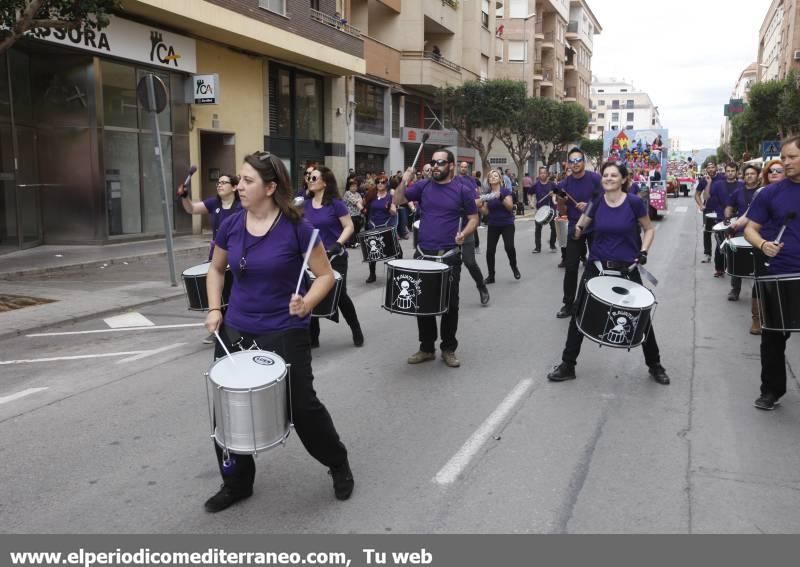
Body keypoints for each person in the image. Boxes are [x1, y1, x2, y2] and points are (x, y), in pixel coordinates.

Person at [203, 151, 353, 512]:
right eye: (239, 179)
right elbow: (216, 269)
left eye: (247, 180)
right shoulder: (231, 225)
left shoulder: (297, 228)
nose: (239, 186)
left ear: (270, 187)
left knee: (302, 409)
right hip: (237, 329)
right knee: (226, 410)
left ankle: (337, 463)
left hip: (284, 331)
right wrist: (213, 309)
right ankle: (237, 483)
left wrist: (307, 303)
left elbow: (326, 276)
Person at [547, 161, 669, 385]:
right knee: (579, 313)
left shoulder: (633, 202)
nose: (609, 178)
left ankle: (655, 365)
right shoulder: (596, 203)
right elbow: (579, 228)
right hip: (598, 266)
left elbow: (648, 229)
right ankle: (567, 365)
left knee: (640, 317)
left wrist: (643, 251)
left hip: (627, 267)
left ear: (623, 179)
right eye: (605, 175)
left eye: (614, 175)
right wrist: (572, 223)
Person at [394, 150, 479, 368]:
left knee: (450, 305)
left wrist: (465, 234)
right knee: (423, 304)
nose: (434, 166)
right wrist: (404, 180)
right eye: (432, 162)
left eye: (440, 162)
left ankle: (448, 349)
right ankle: (426, 348)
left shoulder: (462, 189)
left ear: (450, 165)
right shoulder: (423, 186)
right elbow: (397, 200)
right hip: (423, 255)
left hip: (449, 256)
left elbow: (473, 218)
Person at [744, 136, 800, 410]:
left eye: (791, 157)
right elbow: (750, 229)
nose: (785, 162)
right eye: (784, 157)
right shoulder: (770, 194)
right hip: (780, 273)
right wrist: (763, 244)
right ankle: (771, 390)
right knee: (773, 337)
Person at [304, 166, 365, 348]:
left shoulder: (335, 203)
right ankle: (313, 337)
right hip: (311, 258)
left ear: (325, 182)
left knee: (340, 295)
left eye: (314, 178)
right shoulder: (305, 204)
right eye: (309, 177)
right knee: (311, 295)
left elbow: (349, 226)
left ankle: (355, 328)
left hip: (334, 256)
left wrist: (337, 244)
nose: (310, 180)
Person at [178, 173, 242, 344]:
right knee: (219, 294)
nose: (219, 185)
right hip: (218, 253)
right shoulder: (214, 203)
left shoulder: (241, 206)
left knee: (233, 293)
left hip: (237, 254)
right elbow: (191, 209)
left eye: (224, 182)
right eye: (218, 182)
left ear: (234, 187)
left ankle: (231, 329)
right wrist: (185, 196)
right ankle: (219, 329)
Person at [555, 147, 602, 318]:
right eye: (572, 161)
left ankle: (598, 304)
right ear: (568, 164)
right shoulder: (563, 185)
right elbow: (561, 211)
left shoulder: (596, 179)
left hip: (596, 226)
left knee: (598, 267)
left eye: (578, 160)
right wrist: (561, 201)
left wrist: (588, 207)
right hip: (575, 227)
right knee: (571, 267)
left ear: (583, 162)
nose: (575, 164)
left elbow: (604, 200)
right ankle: (568, 304)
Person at [724, 164, 761, 302]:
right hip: (741, 231)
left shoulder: (763, 191)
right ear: (743, 177)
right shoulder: (738, 192)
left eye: (752, 173)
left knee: (759, 262)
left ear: (758, 176)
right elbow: (729, 207)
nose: (749, 176)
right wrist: (728, 220)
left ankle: (758, 291)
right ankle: (735, 289)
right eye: (747, 174)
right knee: (737, 260)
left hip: (760, 231)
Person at [457, 162, 490, 306]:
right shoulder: (449, 182)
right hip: (449, 229)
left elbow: (477, 201)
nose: (463, 168)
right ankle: (449, 295)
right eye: (461, 166)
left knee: (469, 262)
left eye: (465, 166)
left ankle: (481, 286)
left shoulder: (471, 181)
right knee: (449, 264)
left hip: (467, 226)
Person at [481, 169, 520, 282]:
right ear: (488, 180)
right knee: (490, 251)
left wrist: (500, 197)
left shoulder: (505, 191)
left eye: (495, 176)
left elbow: (509, 207)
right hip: (493, 224)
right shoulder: (487, 194)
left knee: (509, 247)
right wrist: (480, 207)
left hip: (507, 223)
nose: (493, 178)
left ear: (500, 179)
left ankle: (514, 267)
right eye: (491, 176)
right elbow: (487, 212)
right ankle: (491, 275)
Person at [707, 162, 744, 278]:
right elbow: (710, 198)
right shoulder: (718, 184)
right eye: (728, 171)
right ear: (725, 172)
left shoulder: (742, 185)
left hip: (738, 220)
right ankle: (719, 268)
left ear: (737, 172)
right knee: (720, 245)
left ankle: (738, 269)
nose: (730, 173)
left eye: (732, 171)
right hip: (720, 219)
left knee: (736, 246)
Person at [362, 174, 397, 283]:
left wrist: (390, 208)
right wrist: (362, 209)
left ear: (386, 184)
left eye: (383, 182)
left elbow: (394, 211)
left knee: (397, 251)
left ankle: (399, 272)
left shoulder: (390, 196)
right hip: (372, 226)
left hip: (386, 226)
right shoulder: (371, 195)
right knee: (372, 253)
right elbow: (361, 204)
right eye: (378, 182)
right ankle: (372, 275)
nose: (380, 184)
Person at [694, 161, 725, 263]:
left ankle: (721, 254)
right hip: (708, 211)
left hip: (721, 211)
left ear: (716, 168)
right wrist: (701, 205)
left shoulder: (722, 178)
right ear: (706, 169)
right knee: (707, 232)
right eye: (709, 167)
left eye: (712, 167)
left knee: (720, 233)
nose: (711, 169)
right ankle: (707, 254)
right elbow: (697, 194)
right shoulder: (704, 180)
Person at [532, 166, 557, 253]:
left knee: (554, 228)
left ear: (547, 174)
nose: (542, 175)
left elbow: (560, 194)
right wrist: (531, 203)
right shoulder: (536, 185)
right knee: (538, 229)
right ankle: (537, 248)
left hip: (551, 209)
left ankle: (552, 244)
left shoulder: (552, 184)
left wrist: (553, 195)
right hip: (540, 210)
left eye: (544, 173)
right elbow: (529, 194)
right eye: (541, 173)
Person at [343, 178, 363, 248]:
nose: (354, 188)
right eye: (352, 186)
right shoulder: (347, 193)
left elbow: (361, 201)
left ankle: (356, 241)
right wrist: (358, 202)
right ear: (349, 187)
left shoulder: (358, 194)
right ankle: (351, 243)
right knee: (352, 229)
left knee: (357, 228)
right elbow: (354, 201)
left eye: (355, 186)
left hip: (357, 214)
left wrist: (359, 201)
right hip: (350, 214)